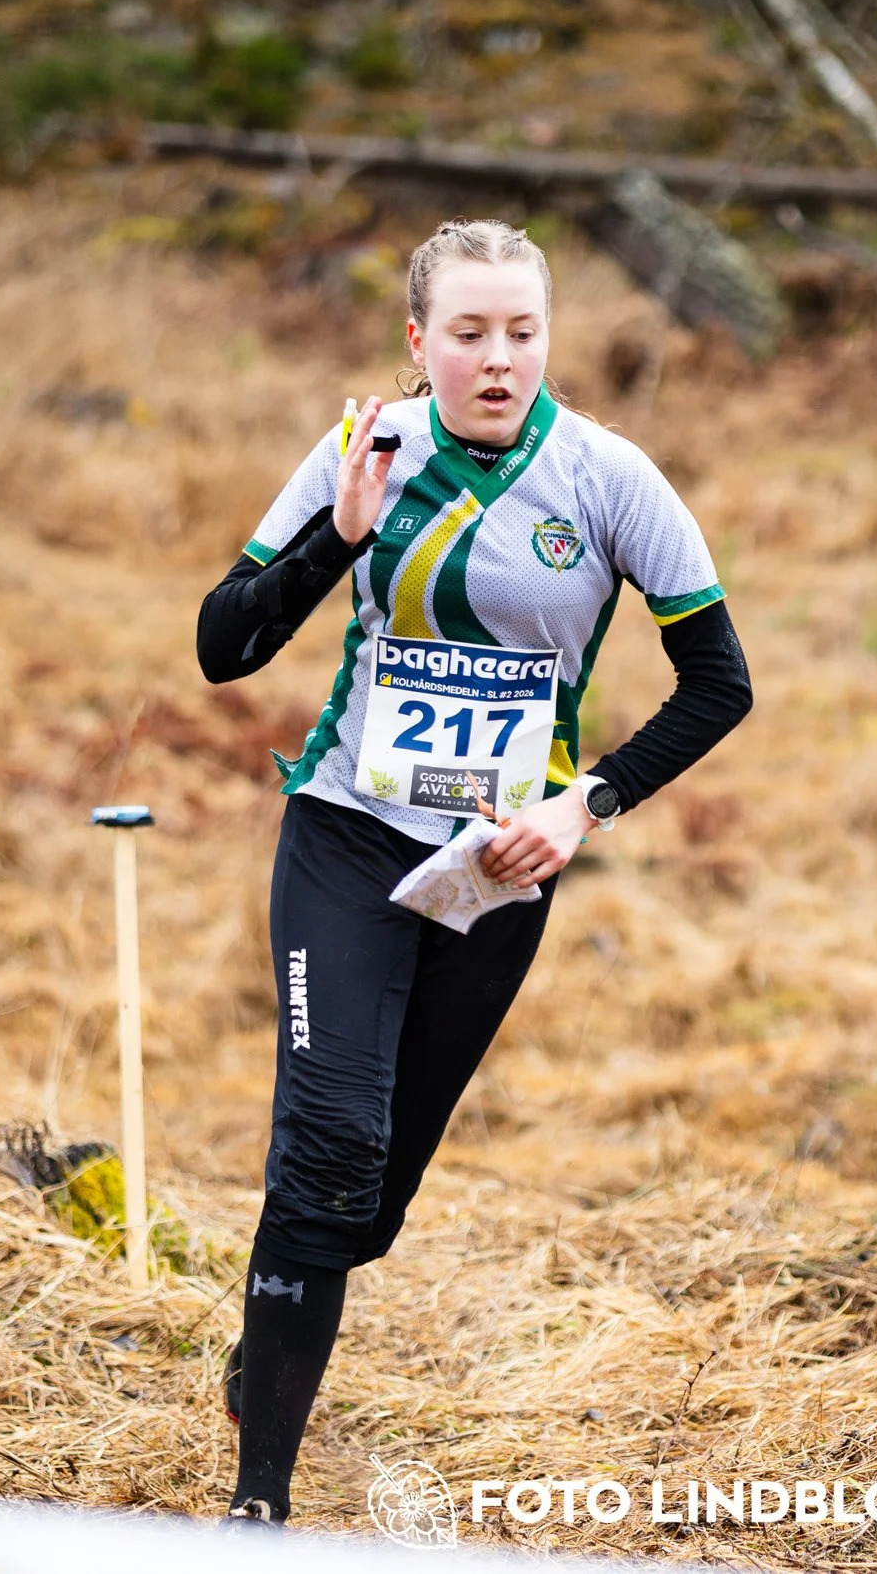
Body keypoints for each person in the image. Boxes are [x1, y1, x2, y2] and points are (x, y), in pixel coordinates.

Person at [195, 219, 753, 1525]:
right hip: (346, 834)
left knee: (367, 1202)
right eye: (468, 333)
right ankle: (257, 1503)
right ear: (417, 342)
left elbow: (720, 683)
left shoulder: (610, 478)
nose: (497, 360)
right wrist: (337, 536)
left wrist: (585, 805)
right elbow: (224, 646)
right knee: (324, 1155)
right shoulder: (366, 452)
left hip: (498, 868)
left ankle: (265, 1349)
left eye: (522, 332)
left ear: (547, 340)